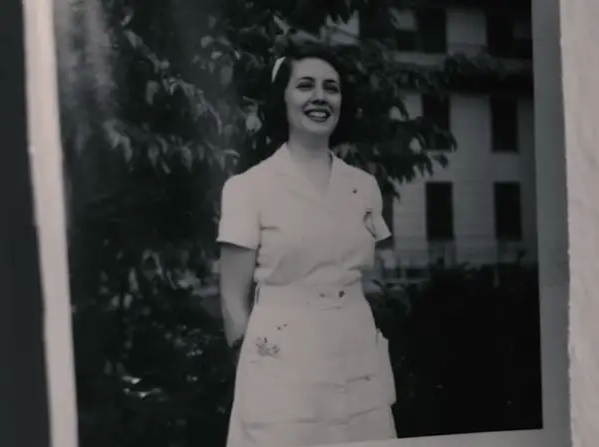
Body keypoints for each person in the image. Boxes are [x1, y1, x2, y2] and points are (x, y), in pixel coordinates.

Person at [217, 43, 397, 447]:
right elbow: (232, 297)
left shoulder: (363, 187)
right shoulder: (248, 188)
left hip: (355, 350)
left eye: (331, 88)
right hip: (281, 357)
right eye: (305, 85)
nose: (320, 97)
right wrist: (254, 362)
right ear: (282, 98)